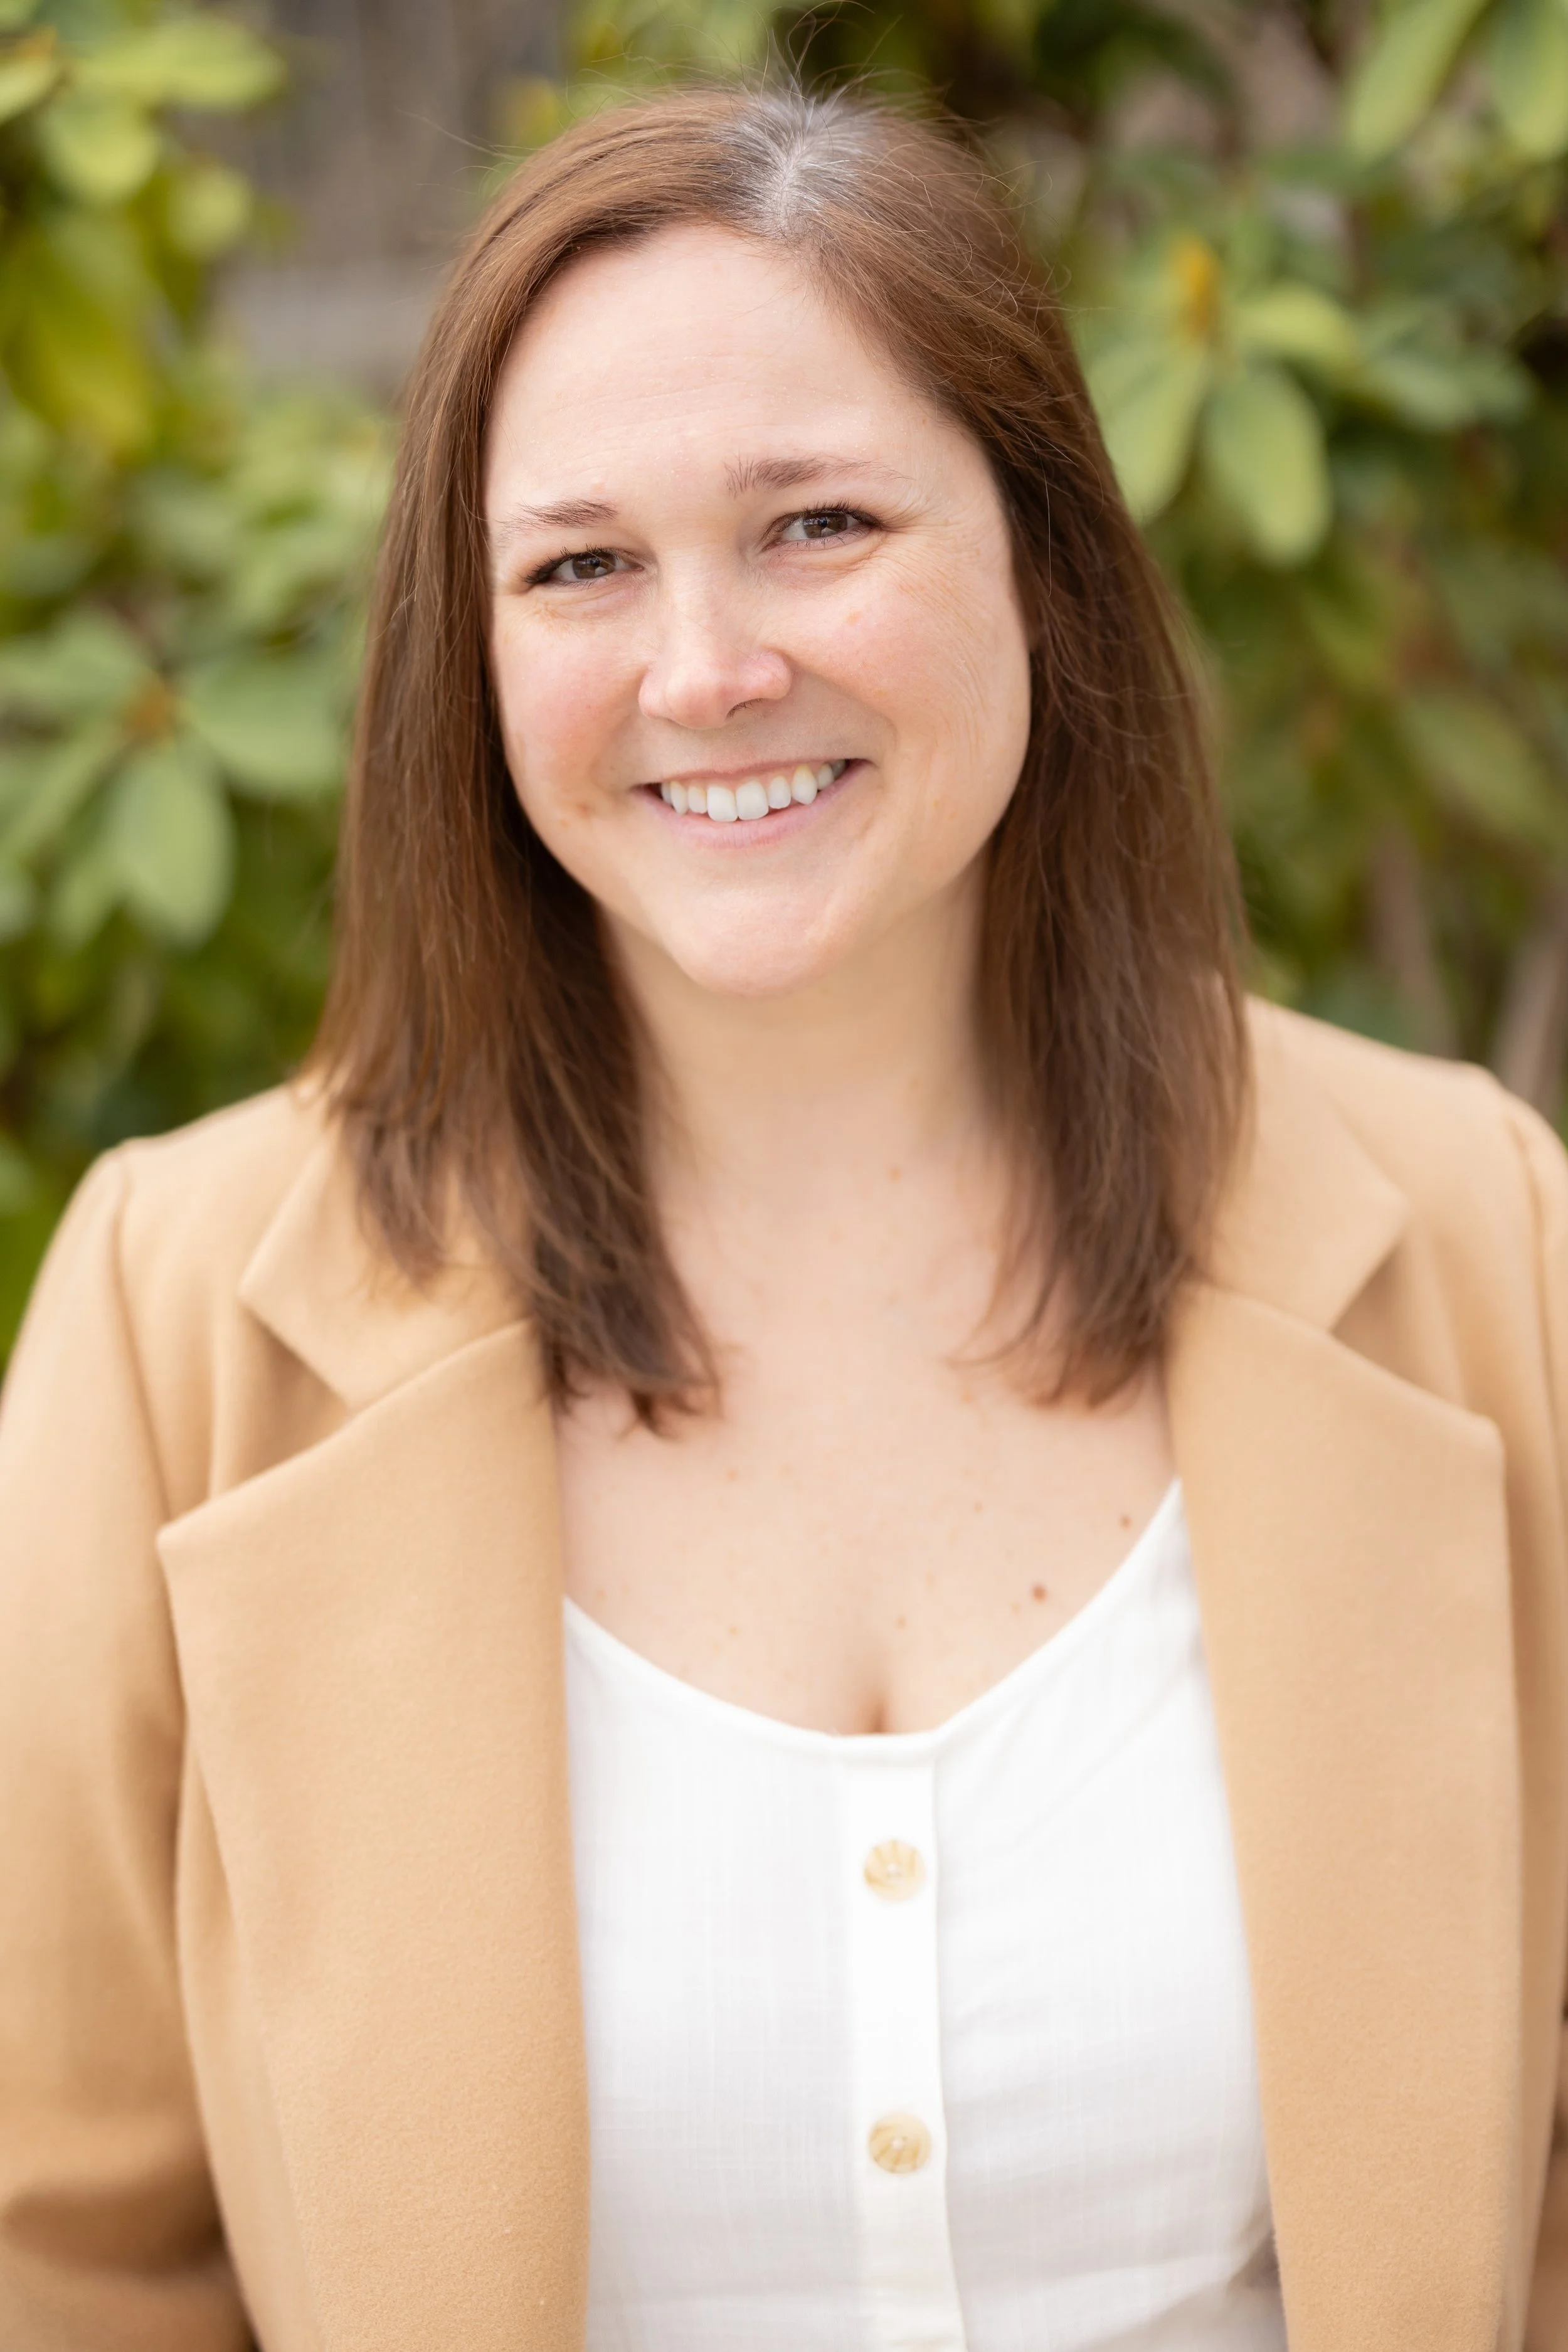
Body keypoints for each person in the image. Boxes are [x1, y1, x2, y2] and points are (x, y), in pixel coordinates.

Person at [0, 80, 1564, 2352]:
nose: (704, 666)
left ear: (1040, 556)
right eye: (579, 566)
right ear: (476, 648)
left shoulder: (1479, 1239)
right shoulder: (173, 1317)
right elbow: (64, 2254)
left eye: (817, 522)